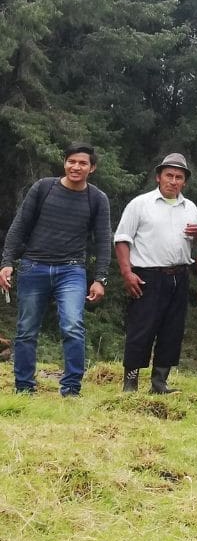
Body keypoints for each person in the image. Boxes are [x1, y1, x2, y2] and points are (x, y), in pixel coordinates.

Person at [1, 143, 111, 396]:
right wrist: (6, 262)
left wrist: (100, 278)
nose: (76, 167)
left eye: (82, 163)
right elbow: (19, 227)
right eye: (72, 161)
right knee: (26, 329)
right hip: (33, 266)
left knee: (72, 326)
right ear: (64, 163)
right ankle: (24, 388)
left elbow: (104, 241)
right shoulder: (43, 188)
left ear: (91, 168)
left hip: (72, 271)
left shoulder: (97, 199)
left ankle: (71, 389)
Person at [113, 152, 197, 394]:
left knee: (172, 330)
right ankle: (130, 382)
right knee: (141, 328)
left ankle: (159, 383)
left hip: (179, 275)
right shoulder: (140, 204)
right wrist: (126, 273)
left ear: (184, 181)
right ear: (158, 177)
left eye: (179, 177)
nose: (173, 181)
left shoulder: (190, 207)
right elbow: (122, 239)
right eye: (169, 175)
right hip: (147, 276)